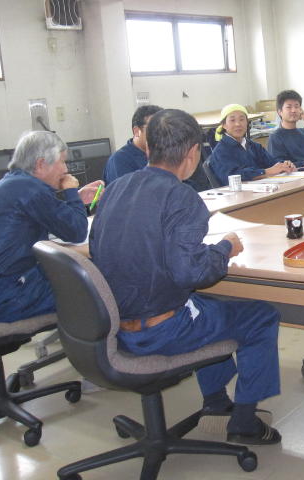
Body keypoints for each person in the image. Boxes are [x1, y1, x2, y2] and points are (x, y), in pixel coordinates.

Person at [90, 109, 282, 445]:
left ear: (149, 147)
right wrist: (225, 248)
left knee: (208, 304)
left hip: (115, 327)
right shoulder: (181, 197)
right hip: (161, 332)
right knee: (260, 315)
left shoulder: (116, 188)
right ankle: (245, 421)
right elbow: (193, 273)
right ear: (193, 152)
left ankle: (216, 401)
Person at [0, 130, 103, 325]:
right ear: (41, 164)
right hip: (6, 298)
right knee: (99, 286)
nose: (65, 169)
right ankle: (110, 340)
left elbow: (48, 216)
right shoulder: (30, 190)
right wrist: (70, 191)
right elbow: (77, 232)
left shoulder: (15, 183)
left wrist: (76, 199)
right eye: (62, 162)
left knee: (81, 272)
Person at [207, 104, 294, 185]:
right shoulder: (220, 151)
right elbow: (232, 176)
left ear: (247, 123)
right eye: (232, 120)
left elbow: (272, 163)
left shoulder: (254, 146)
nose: (238, 124)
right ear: (224, 125)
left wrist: (285, 165)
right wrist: (266, 172)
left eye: (242, 119)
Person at [102, 104, 163, 184]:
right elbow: (126, 191)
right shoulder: (120, 160)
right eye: (154, 128)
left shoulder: (165, 154)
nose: (160, 133)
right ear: (136, 131)